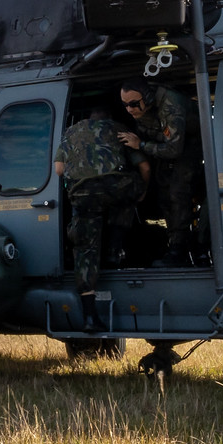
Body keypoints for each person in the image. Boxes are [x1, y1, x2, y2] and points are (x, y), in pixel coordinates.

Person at [54, 105, 144, 333]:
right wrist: (142, 190)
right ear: (109, 117)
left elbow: (59, 169)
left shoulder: (70, 132)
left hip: (84, 194)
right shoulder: (119, 128)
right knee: (127, 198)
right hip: (118, 189)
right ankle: (115, 250)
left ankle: (90, 317)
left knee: (85, 249)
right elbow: (143, 165)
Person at [118, 77, 200, 267]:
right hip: (164, 146)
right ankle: (173, 242)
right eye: (125, 105)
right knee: (163, 195)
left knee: (178, 192)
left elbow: (174, 150)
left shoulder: (171, 105)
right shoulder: (143, 109)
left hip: (190, 146)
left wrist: (141, 145)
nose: (129, 109)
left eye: (133, 104)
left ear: (146, 98)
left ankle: (179, 249)